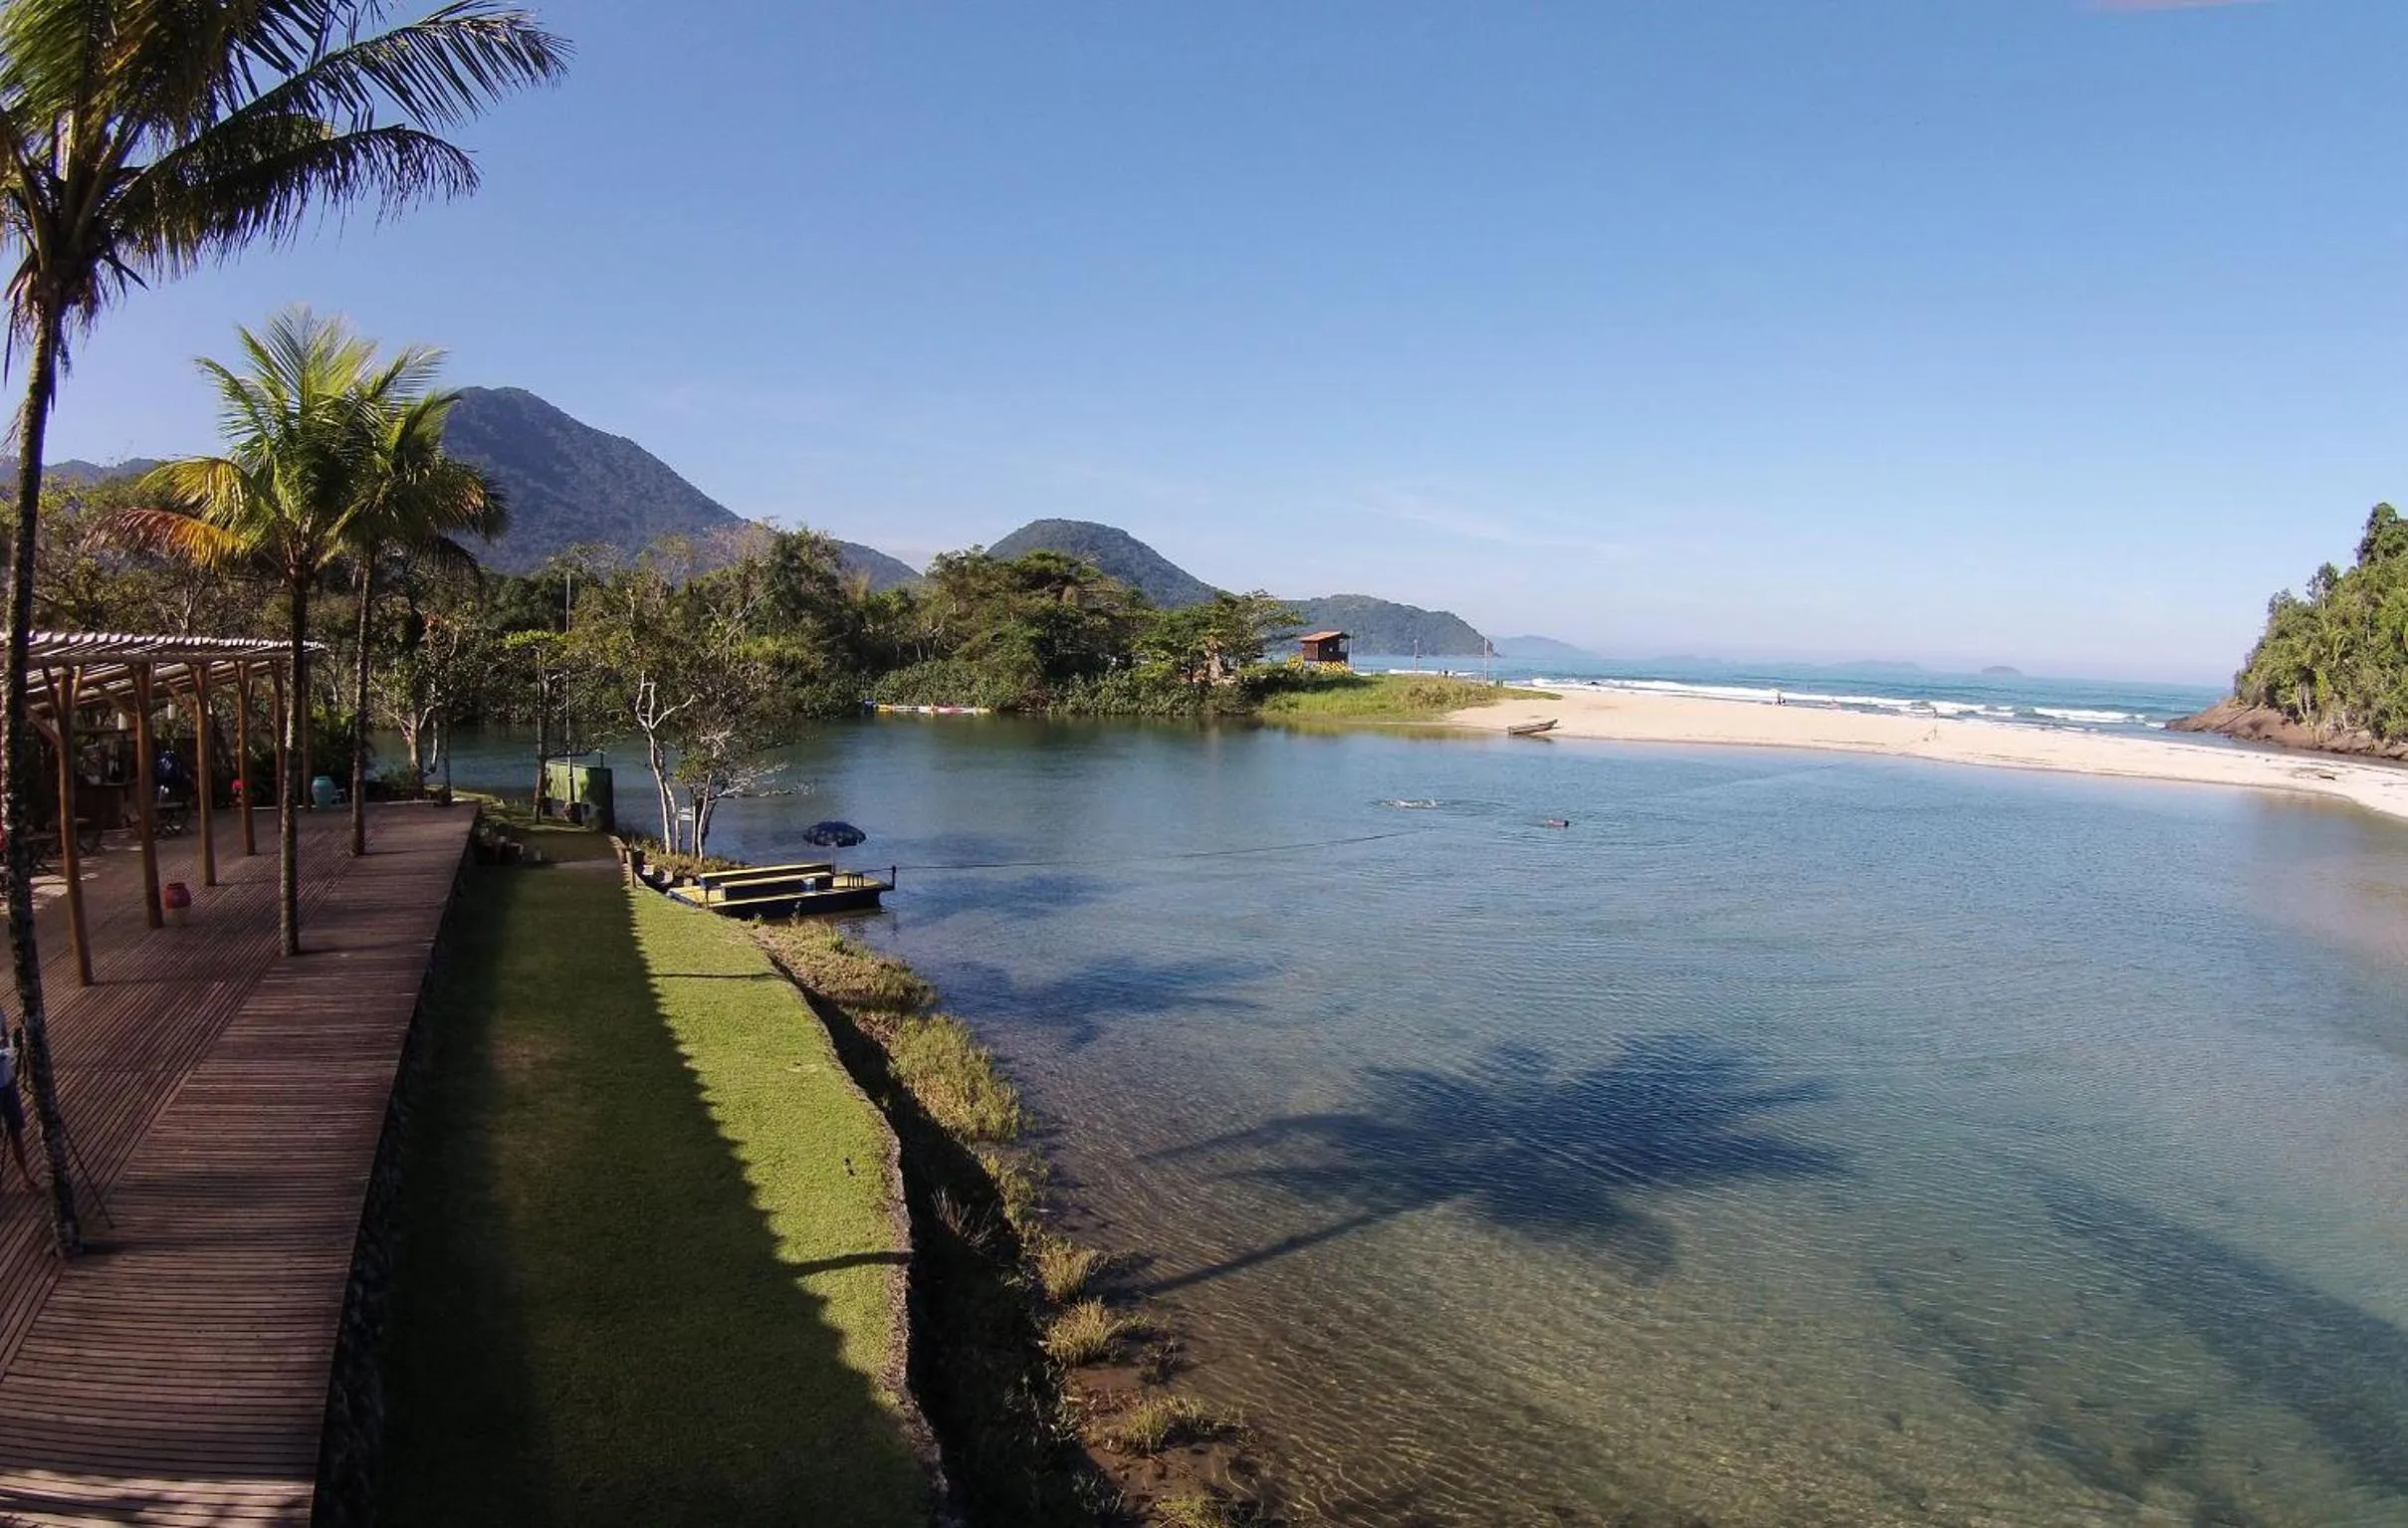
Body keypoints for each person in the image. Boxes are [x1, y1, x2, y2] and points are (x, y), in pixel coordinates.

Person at [0, 1026, 33, 1195]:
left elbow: (5, 1038)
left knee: (15, 1130)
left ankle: (24, 1176)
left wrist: (12, 1046)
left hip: (7, 1082)